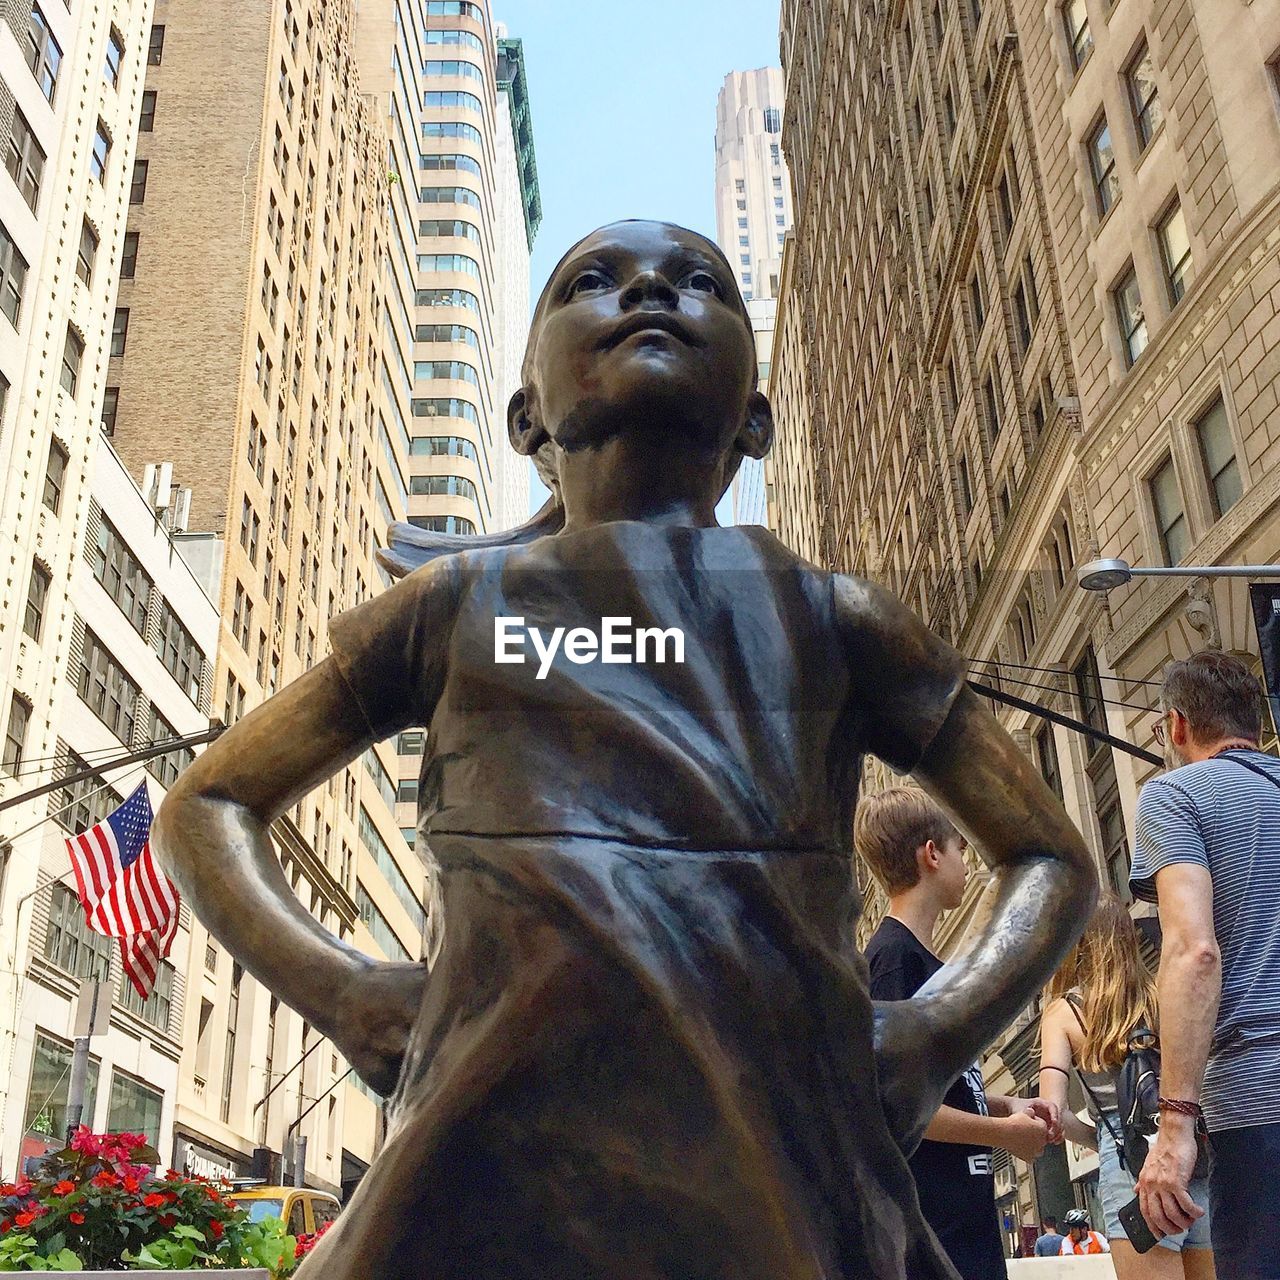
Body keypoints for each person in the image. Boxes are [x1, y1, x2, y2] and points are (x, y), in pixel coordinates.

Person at [153, 220, 1096, 1280]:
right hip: (480, 1172)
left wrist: (933, 1031)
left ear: (755, 418)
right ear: (526, 417)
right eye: (593, 282)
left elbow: (1049, 854)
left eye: (700, 284)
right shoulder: (454, 606)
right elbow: (207, 803)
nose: (649, 292)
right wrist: (344, 987)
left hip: (780, 1180)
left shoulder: (834, 619)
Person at [858, 786, 1060, 1280]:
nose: (967, 863)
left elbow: (936, 1089)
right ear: (931, 854)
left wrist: (1003, 1106)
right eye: (960, 848)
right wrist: (1002, 1135)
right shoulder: (892, 960)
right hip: (935, 1228)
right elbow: (895, 1108)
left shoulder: (922, 961)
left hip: (964, 1221)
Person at [1130, 652, 1280, 1280]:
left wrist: (1174, 1124)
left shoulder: (1173, 795)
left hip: (1254, 1103)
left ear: (1177, 726)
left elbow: (1195, 951)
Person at [1039, 894, 1215, 1278]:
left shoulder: (1064, 1012)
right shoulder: (1160, 998)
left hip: (1128, 1167)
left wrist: (1101, 1136)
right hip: (1190, 1151)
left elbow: (1052, 1113)